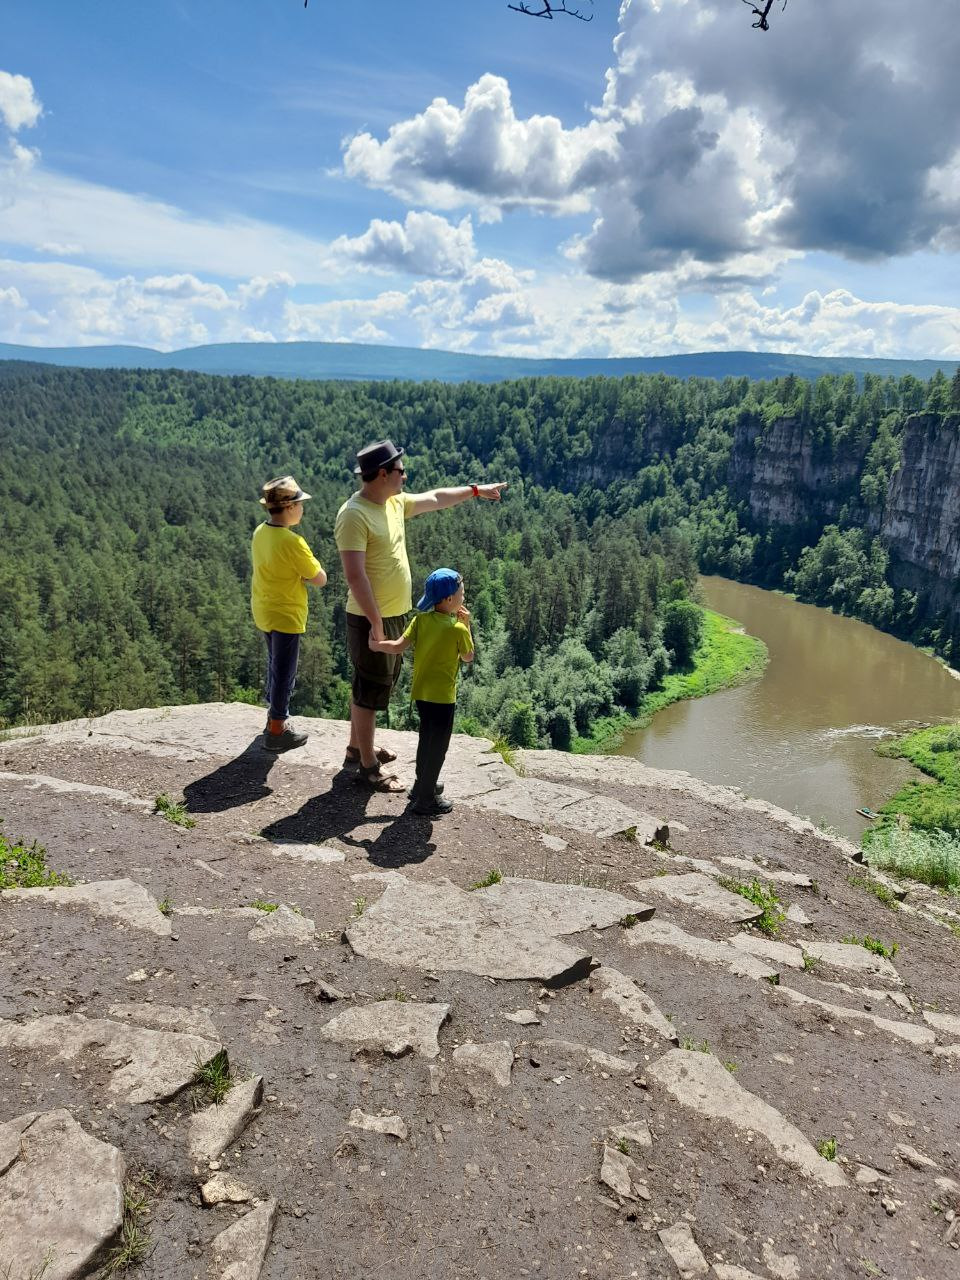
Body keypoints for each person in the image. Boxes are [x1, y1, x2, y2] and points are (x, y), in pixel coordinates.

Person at [334, 438, 505, 792]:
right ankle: (367, 767)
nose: (405, 475)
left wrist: (475, 490)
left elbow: (437, 498)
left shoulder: (392, 502)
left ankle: (357, 748)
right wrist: (377, 622)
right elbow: (355, 575)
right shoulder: (354, 514)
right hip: (371, 617)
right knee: (369, 690)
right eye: (400, 470)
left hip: (394, 613)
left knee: (374, 685)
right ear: (382, 474)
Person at [370, 568, 472, 815]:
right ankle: (426, 799)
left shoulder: (421, 621)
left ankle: (421, 785)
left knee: (426, 740)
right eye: (461, 592)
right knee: (438, 747)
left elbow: (397, 647)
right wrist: (466, 625)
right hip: (443, 698)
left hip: (422, 695)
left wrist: (376, 644)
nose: (464, 595)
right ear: (449, 599)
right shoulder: (457, 629)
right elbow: (468, 657)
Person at [251, 475, 327, 752]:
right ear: (291, 507)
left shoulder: (260, 532)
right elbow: (319, 578)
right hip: (287, 614)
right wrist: (309, 576)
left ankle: (272, 715)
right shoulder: (293, 542)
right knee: (285, 671)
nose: (303, 509)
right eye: (300, 504)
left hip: (264, 609)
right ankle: (277, 729)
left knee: (275, 663)